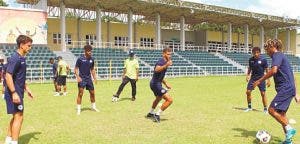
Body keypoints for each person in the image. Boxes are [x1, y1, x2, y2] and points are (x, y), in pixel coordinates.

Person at [253, 39, 299, 144]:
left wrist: (259, 80)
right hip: (288, 88)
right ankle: (288, 141)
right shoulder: (282, 56)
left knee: (272, 110)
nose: (266, 51)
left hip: (285, 88)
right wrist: (295, 93)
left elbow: (273, 71)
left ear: (273, 46)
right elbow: (293, 76)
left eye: (267, 48)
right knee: (281, 114)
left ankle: (289, 129)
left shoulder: (277, 55)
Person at [4, 35, 34, 144]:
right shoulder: (15, 58)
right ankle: (14, 142)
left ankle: (8, 140)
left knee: (16, 116)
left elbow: (19, 77)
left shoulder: (22, 58)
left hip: (18, 92)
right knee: (19, 117)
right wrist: (13, 93)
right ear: (21, 45)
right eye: (28, 46)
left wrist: (27, 88)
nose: (30, 48)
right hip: (14, 93)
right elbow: (8, 75)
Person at [146, 47, 173, 123]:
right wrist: (166, 65)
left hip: (155, 83)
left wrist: (165, 83)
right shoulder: (161, 61)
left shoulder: (166, 61)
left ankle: (151, 113)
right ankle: (157, 115)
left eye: (170, 54)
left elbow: (159, 75)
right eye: (168, 54)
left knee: (158, 98)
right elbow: (156, 70)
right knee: (169, 100)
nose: (169, 56)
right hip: (155, 84)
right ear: (163, 54)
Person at [74, 44, 99, 115]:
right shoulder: (80, 59)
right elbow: (75, 69)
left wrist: (95, 78)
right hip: (82, 79)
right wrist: (78, 77)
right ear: (85, 51)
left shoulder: (92, 59)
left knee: (92, 93)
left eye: (90, 51)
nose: (90, 52)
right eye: (88, 51)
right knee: (80, 93)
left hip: (89, 79)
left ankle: (93, 107)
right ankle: (78, 109)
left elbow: (92, 69)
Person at [244, 47, 270, 113]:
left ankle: (265, 109)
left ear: (259, 53)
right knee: (248, 92)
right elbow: (250, 68)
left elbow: (267, 70)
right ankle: (249, 107)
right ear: (252, 53)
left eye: (257, 52)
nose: (256, 54)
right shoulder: (251, 60)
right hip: (253, 78)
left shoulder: (264, 60)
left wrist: (268, 80)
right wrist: (247, 75)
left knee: (263, 93)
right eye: (254, 53)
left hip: (261, 78)